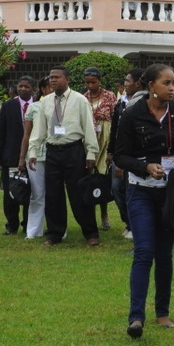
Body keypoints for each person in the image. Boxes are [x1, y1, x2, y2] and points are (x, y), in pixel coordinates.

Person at [113, 64, 174, 339]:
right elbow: (120, 156)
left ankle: (163, 313)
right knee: (144, 251)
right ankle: (136, 317)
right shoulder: (132, 114)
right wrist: (145, 167)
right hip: (141, 191)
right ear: (151, 86)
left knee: (165, 254)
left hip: (169, 194)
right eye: (166, 83)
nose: (172, 87)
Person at [27, 65, 101, 247]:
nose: (53, 80)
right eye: (51, 77)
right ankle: (54, 233)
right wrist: (33, 151)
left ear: (67, 79)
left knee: (79, 193)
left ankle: (90, 232)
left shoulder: (79, 100)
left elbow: (89, 127)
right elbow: (39, 129)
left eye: (57, 77)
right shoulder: (46, 102)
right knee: (53, 194)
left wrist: (91, 153)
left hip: (74, 150)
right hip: (53, 150)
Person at [0, 75, 35, 236]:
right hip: (10, 155)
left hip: (33, 155)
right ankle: (12, 225)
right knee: (10, 191)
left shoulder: (39, 105)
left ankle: (28, 224)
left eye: (26, 86)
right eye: (20, 86)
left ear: (33, 89)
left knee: (31, 191)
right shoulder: (8, 106)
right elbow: (0, 131)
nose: (22, 89)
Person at [109, 69, 147, 241]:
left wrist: (124, 160)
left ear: (138, 84)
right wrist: (110, 151)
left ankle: (134, 225)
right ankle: (129, 222)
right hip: (119, 152)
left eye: (127, 80)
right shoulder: (121, 102)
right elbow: (115, 129)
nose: (125, 84)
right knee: (117, 188)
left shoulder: (140, 103)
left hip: (130, 155)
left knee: (129, 189)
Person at [82, 67, 116, 231]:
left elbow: (115, 119)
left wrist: (112, 148)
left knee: (102, 177)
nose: (90, 86)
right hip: (89, 140)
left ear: (99, 81)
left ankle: (104, 214)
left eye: (93, 82)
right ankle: (89, 216)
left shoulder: (110, 96)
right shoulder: (83, 98)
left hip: (105, 139)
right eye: (87, 82)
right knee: (89, 178)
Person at [18, 77, 52, 238]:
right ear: (43, 89)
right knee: (37, 194)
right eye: (50, 87)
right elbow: (27, 135)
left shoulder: (63, 106)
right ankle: (33, 231)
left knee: (54, 194)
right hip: (36, 155)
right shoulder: (33, 107)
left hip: (55, 154)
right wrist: (22, 157)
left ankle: (57, 228)